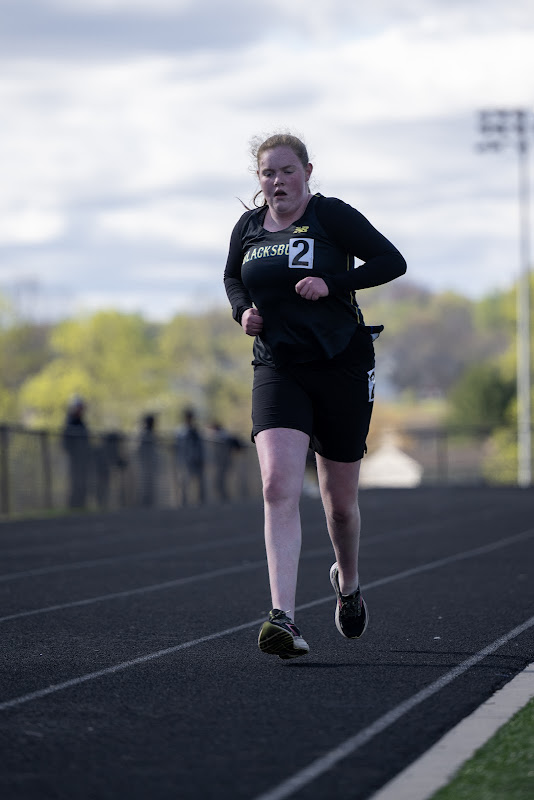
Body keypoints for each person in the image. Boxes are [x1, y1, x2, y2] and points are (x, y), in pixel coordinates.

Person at [224, 132, 407, 659]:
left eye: (287, 171)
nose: (278, 182)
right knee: (277, 485)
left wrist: (333, 281)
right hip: (278, 367)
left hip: (339, 364)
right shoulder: (249, 226)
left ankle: (348, 585)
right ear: (259, 179)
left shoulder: (331, 215)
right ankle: (282, 616)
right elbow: (233, 277)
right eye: (268, 173)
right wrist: (243, 311)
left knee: (340, 506)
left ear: (306, 171)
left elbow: (391, 261)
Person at [61, 394, 91, 509]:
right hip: (74, 459)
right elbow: (66, 443)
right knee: (75, 481)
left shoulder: (81, 422)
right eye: (79, 408)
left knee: (83, 481)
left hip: (82, 459)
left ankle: (81, 504)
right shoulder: (70, 422)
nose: (81, 410)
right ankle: (74, 505)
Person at [174, 408, 206, 505]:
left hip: (195, 460)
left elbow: (200, 446)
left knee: (198, 482)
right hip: (184, 460)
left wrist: (201, 458)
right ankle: (183, 502)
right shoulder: (181, 430)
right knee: (184, 482)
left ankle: (199, 501)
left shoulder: (196, 431)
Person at [137, 414, 158, 507]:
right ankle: (144, 503)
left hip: (151, 463)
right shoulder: (143, 434)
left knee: (151, 484)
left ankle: (150, 503)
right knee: (144, 484)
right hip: (144, 464)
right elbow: (138, 450)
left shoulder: (152, 434)